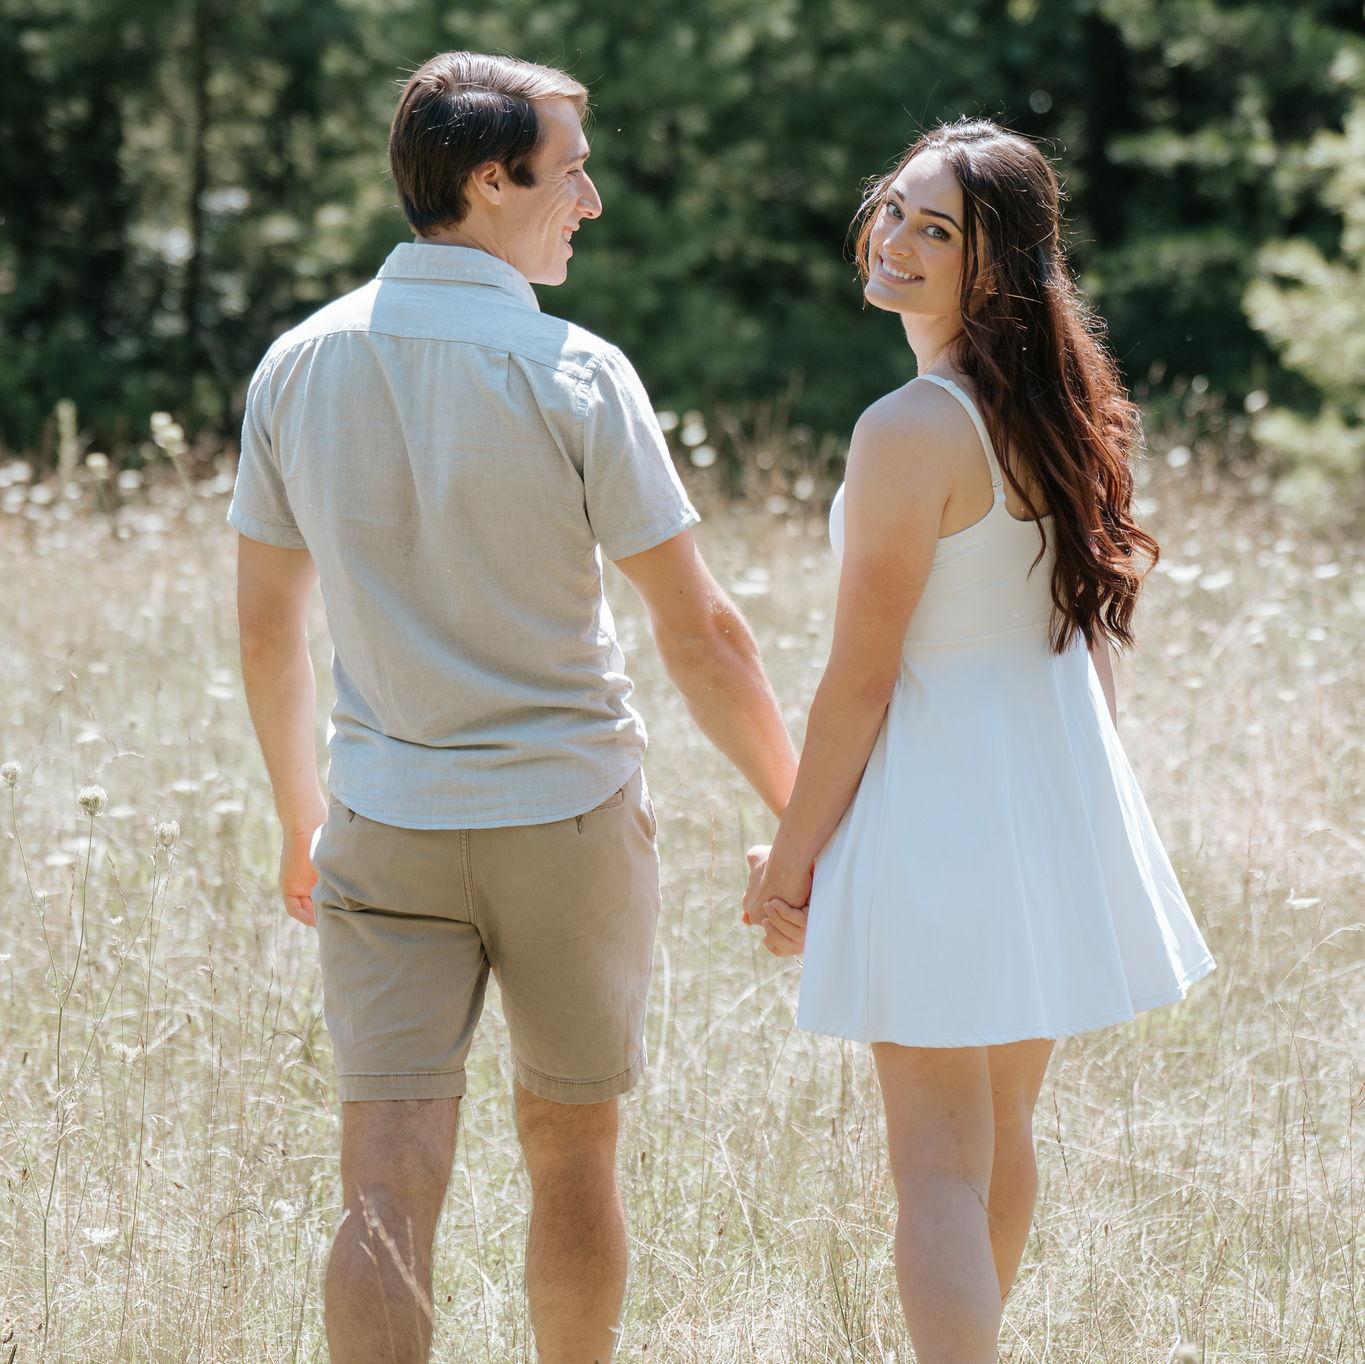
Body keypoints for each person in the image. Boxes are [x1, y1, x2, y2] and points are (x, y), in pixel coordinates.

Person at [230, 51, 796, 1364]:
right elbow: (702, 633)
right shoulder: (580, 372)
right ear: (492, 182)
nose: (591, 200)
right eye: (571, 170)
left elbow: (268, 630)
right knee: (574, 1162)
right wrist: (804, 813)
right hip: (567, 826)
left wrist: (296, 820)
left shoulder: (295, 366)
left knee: (383, 1184)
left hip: (381, 823)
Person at [742, 119, 1216, 1362]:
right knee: (1001, 1132)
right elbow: (1084, 641)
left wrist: (793, 858)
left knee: (940, 1164)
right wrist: (1088, 803)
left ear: (994, 266)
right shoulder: (1063, 411)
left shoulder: (912, 426)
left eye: (935, 227)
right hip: (1044, 801)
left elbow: (861, 676)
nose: (894, 237)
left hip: (940, 810)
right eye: (894, 207)